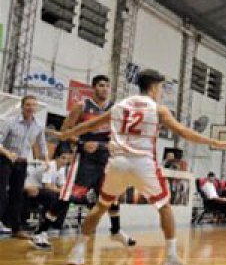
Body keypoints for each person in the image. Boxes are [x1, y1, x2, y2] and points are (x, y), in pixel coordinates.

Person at [58, 69, 226, 265]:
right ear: (154, 87)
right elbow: (183, 132)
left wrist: (66, 135)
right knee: (164, 207)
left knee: (100, 206)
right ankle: (171, 256)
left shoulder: (120, 106)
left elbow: (89, 126)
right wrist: (213, 142)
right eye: (160, 87)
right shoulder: (158, 110)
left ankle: (77, 252)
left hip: (118, 163)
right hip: (143, 164)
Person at [51, 76, 137, 248]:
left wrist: (107, 146)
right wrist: (82, 143)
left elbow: (120, 139)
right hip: (84, 158)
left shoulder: (115, 110)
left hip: (105, 157)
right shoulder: (82, 106)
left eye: (107, 85)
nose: (104, 88)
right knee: (70, 195)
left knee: (111, 196)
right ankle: (42, 231)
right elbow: (65, 130)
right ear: (94, 88)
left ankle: (115, 231)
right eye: (101, 85)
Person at [0, 95, 50, 238]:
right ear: (22, 107)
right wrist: (7, 153)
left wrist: (47, 160)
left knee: (17, 196)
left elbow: (42, 144)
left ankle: (16, 228)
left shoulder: (38, 125)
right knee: (1, 194)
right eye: (28, 105)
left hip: (22, 163)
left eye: (33, 105)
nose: (31, 108)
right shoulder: (10, 122)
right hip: (5, 160)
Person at [26, 148, 73, 249]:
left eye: (67, 159)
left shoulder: (61, 168)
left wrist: (65, 192)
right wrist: (62, 191)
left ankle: (56, 226)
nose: (65, 161)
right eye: (63, 158)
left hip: (43, 190)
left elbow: (62, 185)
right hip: (32, 188)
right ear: (56, 158)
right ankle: (45, 226)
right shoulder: (50, 166)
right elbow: (47, 185)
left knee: (65, 198)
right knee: (53, 197)